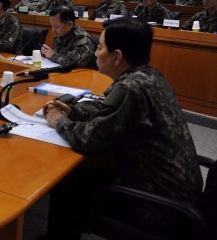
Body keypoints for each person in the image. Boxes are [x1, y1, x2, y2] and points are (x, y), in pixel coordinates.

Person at [40, 17, 203, 239]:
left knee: (70, 181)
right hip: (176, 192)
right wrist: (73, 111)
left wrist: (59, 120)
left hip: (157, 204)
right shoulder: (148, 74)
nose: (95, 53)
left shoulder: (130, 88)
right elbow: (110, 110)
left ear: (117, 56)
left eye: (99, 47)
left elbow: (88, 139)